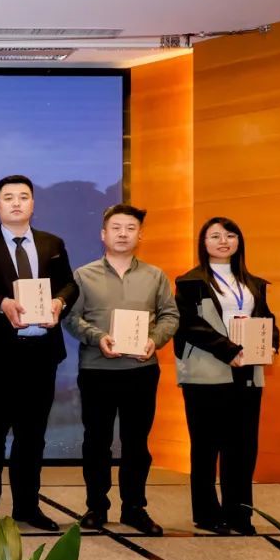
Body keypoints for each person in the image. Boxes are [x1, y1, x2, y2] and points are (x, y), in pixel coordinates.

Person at [0, 175, 78, 532]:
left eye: (23, 197)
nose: (16, 203)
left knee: (32, 433)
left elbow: (69, 284)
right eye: (8, 197)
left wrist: (59, 302)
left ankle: (27, 506)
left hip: (41, 353)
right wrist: (2, 303)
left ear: (32, 204)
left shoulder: (52, 243)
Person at [63, 204, 179, 536]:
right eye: (116, 228)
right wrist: (97, 337)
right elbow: (71, 318)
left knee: (136, 443)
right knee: (96, 441)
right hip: (97, 369)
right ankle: (96, 507)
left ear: (140, 235)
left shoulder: (155, 276)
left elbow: (170, 315)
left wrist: (155, 340)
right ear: (104, 234)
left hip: (141, 370)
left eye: (130, 228)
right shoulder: (83, 275)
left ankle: (134, 508)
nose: (123, 234)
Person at [174, 217, 279, 536]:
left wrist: (272, 344)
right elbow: (189, 325)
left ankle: (240, 513)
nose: (223, 241)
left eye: (230, 235)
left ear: (239, 241)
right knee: (206, 447)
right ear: (203, 243)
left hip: (248, 371)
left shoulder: (253, 283)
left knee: (243, 446)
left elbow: (267, 319)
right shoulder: (190, 282)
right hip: (206, 373)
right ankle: (207, 514)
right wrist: (228, 350)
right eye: (215, 236)